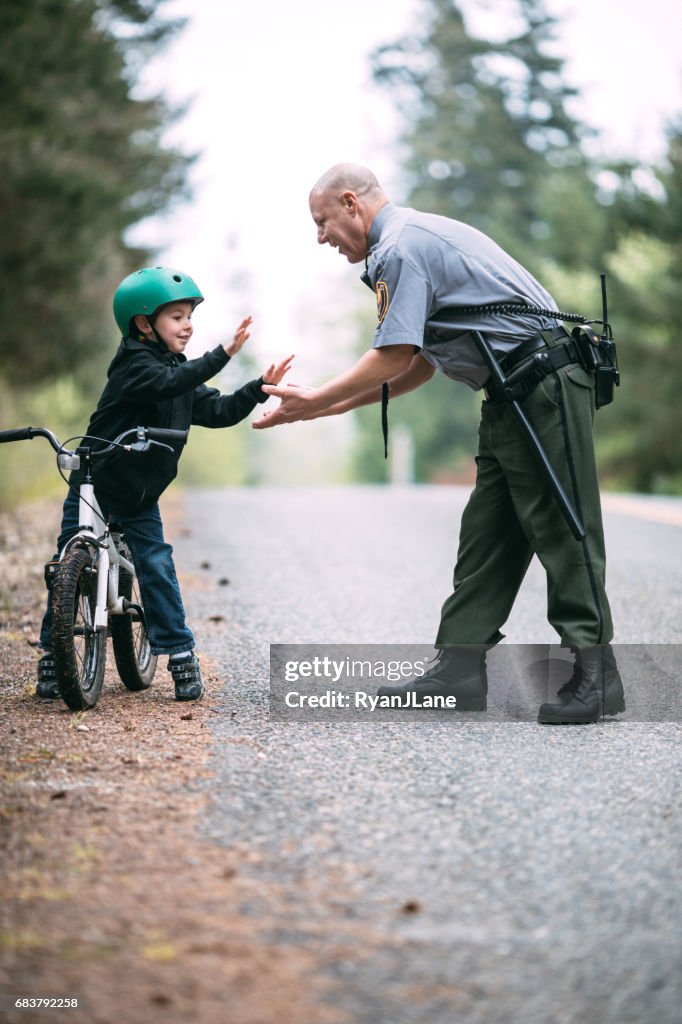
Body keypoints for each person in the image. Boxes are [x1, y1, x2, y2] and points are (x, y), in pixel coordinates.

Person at [254, 162, 624, 725]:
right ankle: (458, 669)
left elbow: (393, 357)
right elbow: (419, 366)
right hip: (509, 395)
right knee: (488, 536)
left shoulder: (401, 248)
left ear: (351, 203)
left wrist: (319, 398)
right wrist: (321, 407)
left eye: (322, 221)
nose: (320, 237)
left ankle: (598, 676)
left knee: (563, 525)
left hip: (542, 385)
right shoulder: (404, 246)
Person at [36, 266, 293, 702]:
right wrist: (223, 353)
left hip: (138, 494)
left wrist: (259, 387)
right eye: (177, 316)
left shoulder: (180, 374)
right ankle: (52, 653)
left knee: (155, 565)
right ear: (144, 323)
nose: (188, 324)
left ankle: (179, 654)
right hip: (94, 481)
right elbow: (167, 382)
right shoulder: (133, 368)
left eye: (189, 315)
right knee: (67, 563)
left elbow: (220, 410)